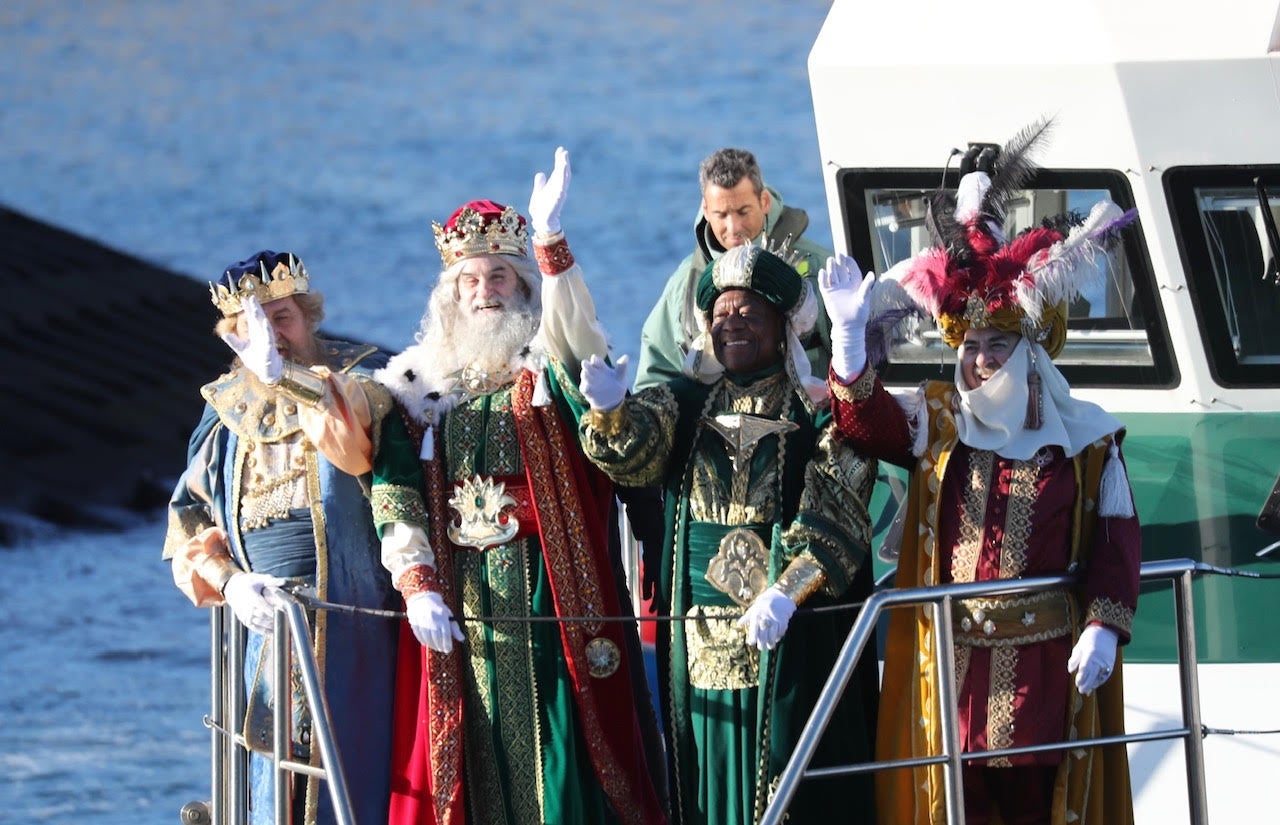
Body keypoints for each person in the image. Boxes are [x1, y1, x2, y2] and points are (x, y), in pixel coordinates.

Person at [313, 148, 668, 825]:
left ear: (522, 288)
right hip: (462, 604)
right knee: (468, 767)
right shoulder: (417, 388)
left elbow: (581, 336)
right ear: (450, 295)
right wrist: (416, 584)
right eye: (471, 279)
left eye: (500, 276)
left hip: (551, 594)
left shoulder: (547, 372)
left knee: (566, 756)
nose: (485, 290)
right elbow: (396, 493)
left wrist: (552, 243)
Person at [819, 126, 1142, 825]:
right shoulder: (939, 421)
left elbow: (1118, 540)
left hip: (1046, 676)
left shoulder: (1086, 439)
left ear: (1028, 349)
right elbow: (864, 426)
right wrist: (849, 346)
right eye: (969, 345)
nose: (978, 359)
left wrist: (1106, 627)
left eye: (997, 344)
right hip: (953, 675)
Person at [577, 243, 880, 824]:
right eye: (720, 316)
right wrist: (611, 412)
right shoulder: (684, 403)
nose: (732, 325)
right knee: (703, 764)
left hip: (784, 627)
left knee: (787, 768)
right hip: (697, 633)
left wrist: (788, 591)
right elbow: (636, 457)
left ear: (782, 324)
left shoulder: (813, 409)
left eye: (749, 314)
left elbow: (839, 505)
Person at [162, 250, 398, 824]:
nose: (272, 335)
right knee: (276, 785)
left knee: (360, 777)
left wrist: (287, 381)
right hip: (267, 631)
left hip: (357, 625)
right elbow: (187, 521)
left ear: (309, 316)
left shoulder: (362, 378)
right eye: (253, 326)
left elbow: (359, 435)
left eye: (283, 317)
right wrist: (229, 581)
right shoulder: (223, 415)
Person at [635, 147, 834, 393]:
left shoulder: (819, 268)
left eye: (743, 212)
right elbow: (655, 376)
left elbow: (857, 361)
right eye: (721, 214)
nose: (734, 227)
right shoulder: (684, 284)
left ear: (764, 202)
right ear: (706, 210)